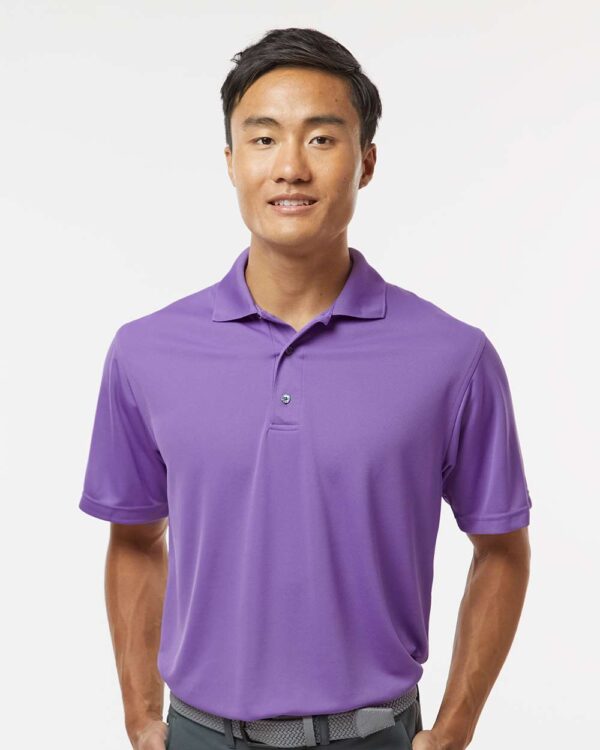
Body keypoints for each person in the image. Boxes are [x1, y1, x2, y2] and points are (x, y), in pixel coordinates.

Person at [79, 27, 532, 750]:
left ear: (367, 161)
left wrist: (455, 728)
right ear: (231, 161)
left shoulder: (454, 357)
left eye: (322, 139)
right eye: (263, 139)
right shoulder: (146, 351)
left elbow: (502, 548)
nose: (290, 167)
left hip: (375, 735)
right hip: (199, 734)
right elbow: (134, 538)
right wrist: (140, 714)